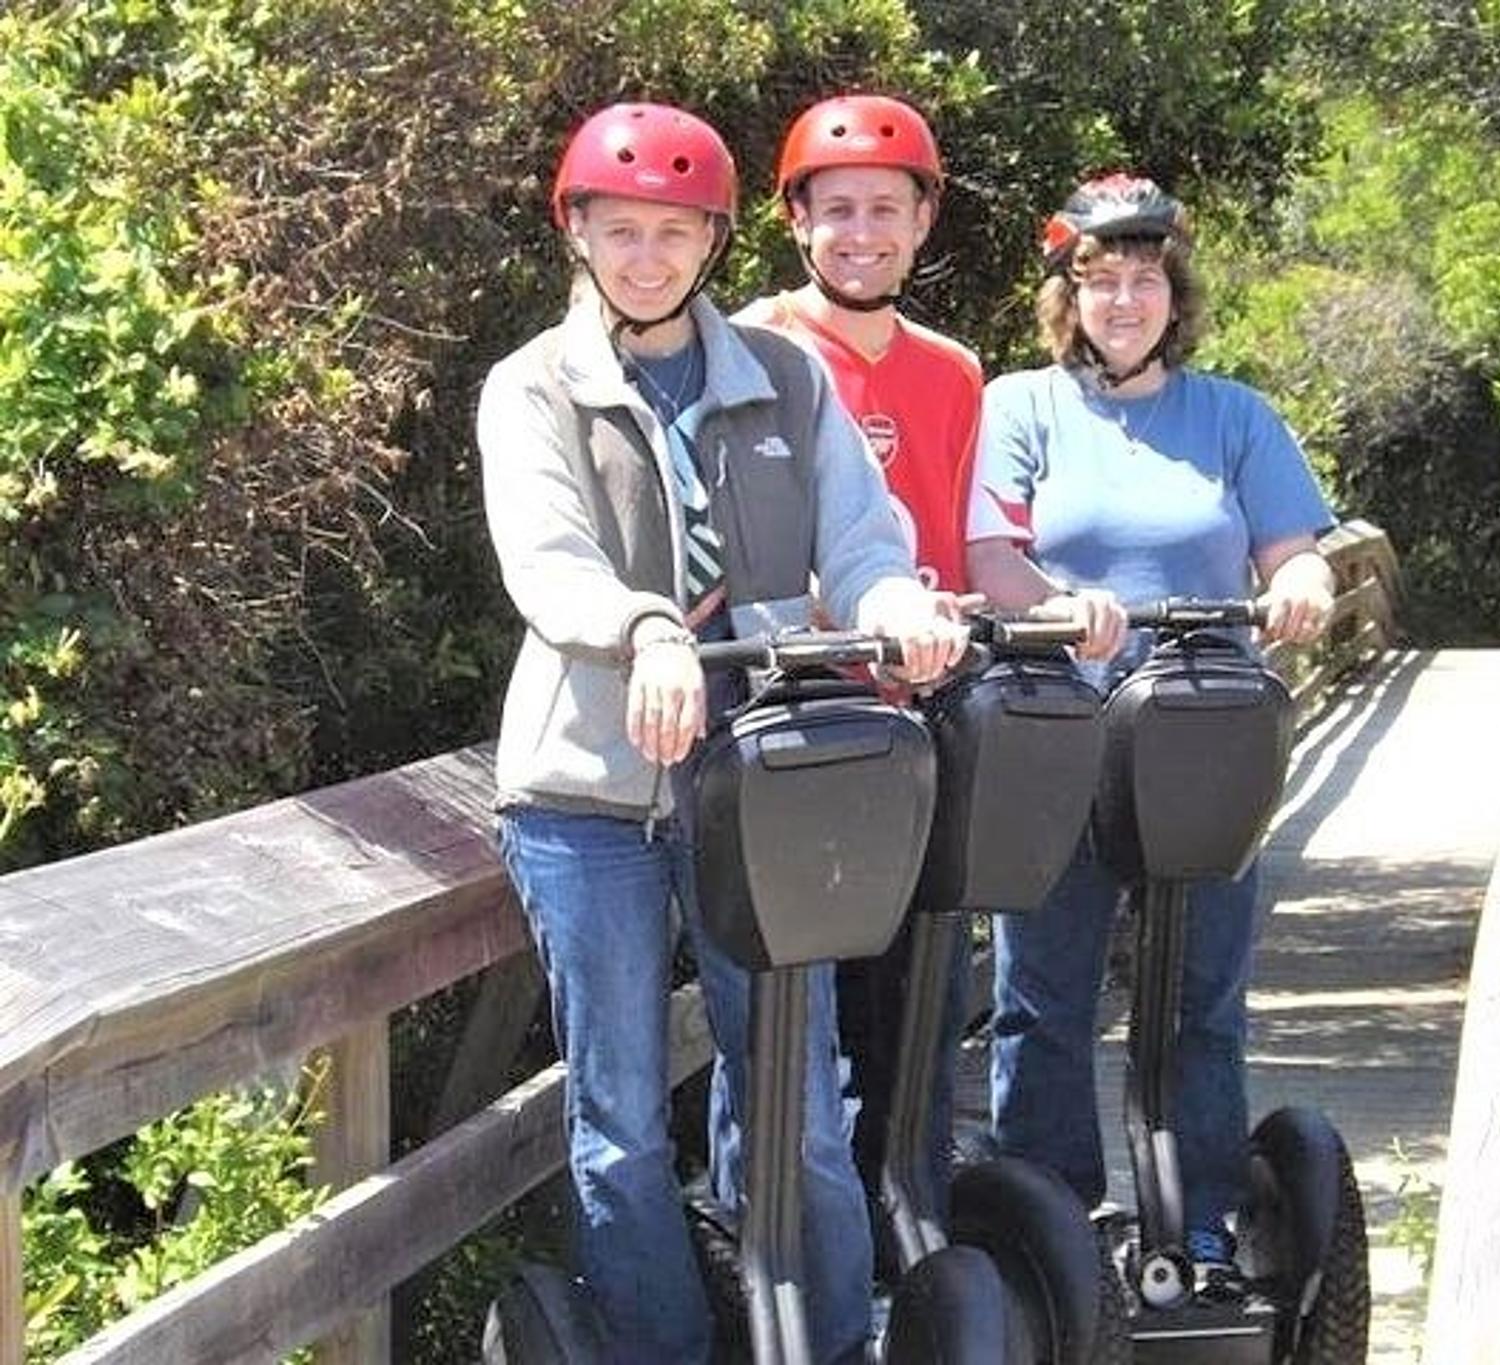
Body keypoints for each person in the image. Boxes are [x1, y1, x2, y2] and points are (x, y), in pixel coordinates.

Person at [479, 101, 966, 1364]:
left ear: (712, 241)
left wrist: (893, 598)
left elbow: (859, 538)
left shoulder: (781, 378)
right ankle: (661, 1347)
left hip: (765, 785)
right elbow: (548, 562)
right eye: (622, 230)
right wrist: (645, 630)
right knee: (625, 1119)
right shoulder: (533, 388)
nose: (649, 257)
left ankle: (831, 1341)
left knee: (799, 1100)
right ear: (576, 233)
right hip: (588, 799)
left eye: (676, 234)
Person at [963, 172, 1337, 1295]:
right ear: (1065, 298)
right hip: (1062, 735)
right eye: (1099, 283)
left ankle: (1202, 1225)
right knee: (1042, 994)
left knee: (1201, 997)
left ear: (1174, 295)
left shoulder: (1231, 415)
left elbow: (1292, 548)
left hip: (1201, 744)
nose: (1122, 302)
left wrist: (1305, 584)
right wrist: (1048, 605)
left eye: (1143, 281)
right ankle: (1048, 1224)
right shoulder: (1019, 407)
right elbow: (987, 553)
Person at [733, 93, 981, 1229]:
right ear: (796, 222)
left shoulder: (953, 372)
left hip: (922, 712)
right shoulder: (756, 349)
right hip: (805, 722)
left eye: (886, 208)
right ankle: (785, 1238)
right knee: (800, 1002)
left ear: (923, 222)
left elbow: (958, 532)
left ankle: (907, 1230)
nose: (862, 232)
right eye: (837, 210)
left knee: (919, 994)